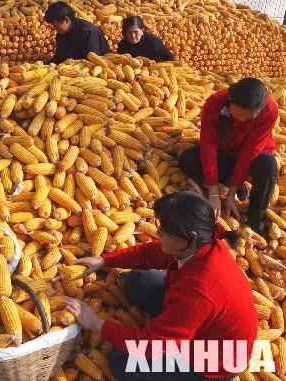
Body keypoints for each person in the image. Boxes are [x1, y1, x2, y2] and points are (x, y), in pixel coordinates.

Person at [64, 192, 258, 381]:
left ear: (188, 240)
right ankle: (173, 325)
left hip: (215, 361)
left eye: (163, 232)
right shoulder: (202, 244)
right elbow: (152, 254)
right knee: (137, 281)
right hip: (202, 321)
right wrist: (104, 261)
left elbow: (151, 345)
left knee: (121, 362)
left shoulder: (198, 292)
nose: (157, 233)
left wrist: (96, 323)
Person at [178, 77, 278, 237]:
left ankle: (256, 220)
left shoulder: (270, 110)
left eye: (248, 118)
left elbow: (250, 152)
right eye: (238, 116)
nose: (242, 120)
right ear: (230, 100)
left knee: (269, 167)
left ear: (260, 109)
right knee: (187, 160)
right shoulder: (215, 103)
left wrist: (231, 194)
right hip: (225, 151)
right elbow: (208, 145)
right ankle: (234, 183)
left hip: (254, 156)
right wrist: (213, 192)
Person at [44, 1, 110, 64]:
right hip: (72, 71)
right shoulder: (61, 35)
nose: (54, 28)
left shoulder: (89, 32)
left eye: (55, 25)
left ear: (66, 20)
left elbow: (93, 61)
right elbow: (59, 58)